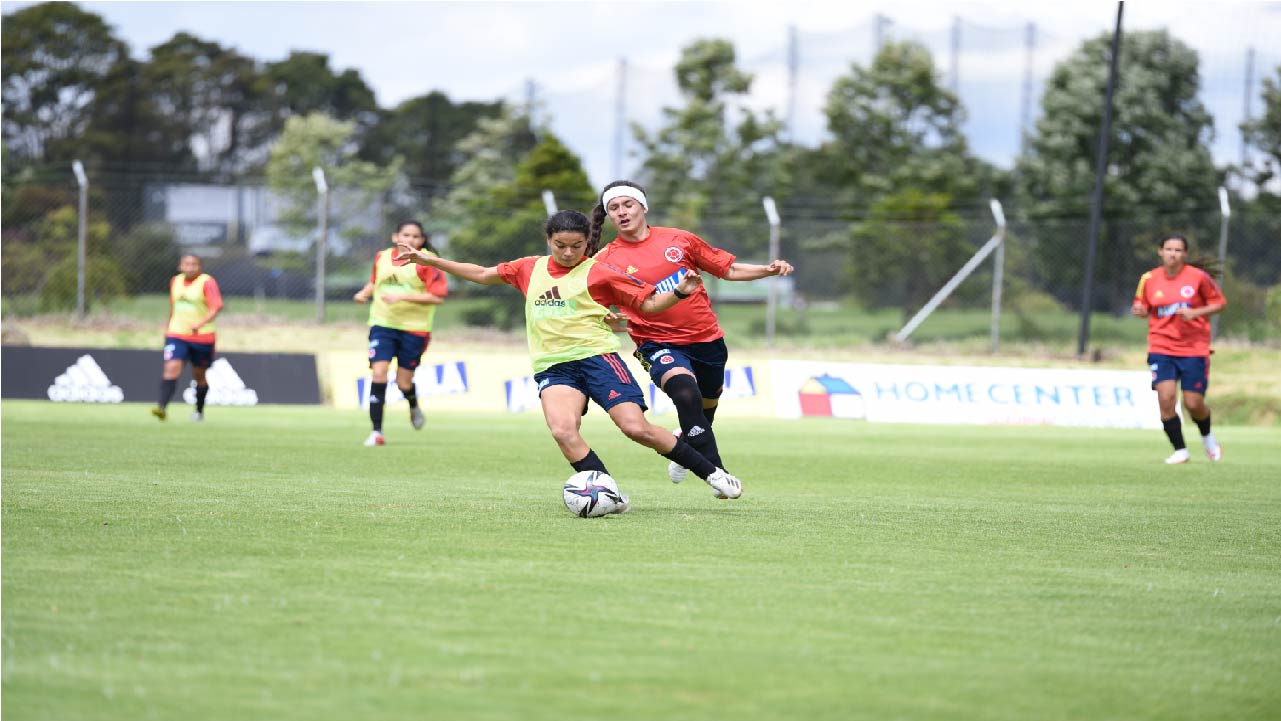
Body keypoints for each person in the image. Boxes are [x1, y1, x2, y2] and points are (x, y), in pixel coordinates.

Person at [395, 209, 743, 510]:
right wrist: (429, 260)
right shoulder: (528, 268)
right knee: (563, 431)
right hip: (554, 365)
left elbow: (649, 303)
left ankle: (713, 473)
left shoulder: (600, 271)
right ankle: (608, 494)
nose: (568, 252)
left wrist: (679, 292)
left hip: (598, 358)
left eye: (576, 246)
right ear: (549, 240)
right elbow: (483, 274)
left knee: (635, 428)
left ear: (585, 243)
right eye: (560, 245)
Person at [588, 180, 793, 484]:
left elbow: (729, 270)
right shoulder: (606, 260)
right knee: (685, 394)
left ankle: (686, 440)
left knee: (706, 407)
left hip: (707, 339)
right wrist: (608, 318)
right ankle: (717, 473)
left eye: (627, 205)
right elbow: (590, 302)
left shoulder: (679, 240)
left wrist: (769, 270)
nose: (621, 212)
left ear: (643, 206)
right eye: (614, 208)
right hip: (655, 342)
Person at [1131, 234, 1227, 464]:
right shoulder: (1148, 279)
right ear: (1160, 251)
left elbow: (1219, 303)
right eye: (1168, 249)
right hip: (1161, 346)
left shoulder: (1198, 278)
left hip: (1193, 348)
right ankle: (1180, 450)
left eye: (1177, 250)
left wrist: (1196, 312)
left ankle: (1207, 437)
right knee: (1166, 399)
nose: (1172, 253)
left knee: (1193, 403)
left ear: (1185, 254)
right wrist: (1140, 312)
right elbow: (1142, 306)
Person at [353, 221, 449, 446]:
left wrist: (402, 297)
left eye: (416, 236)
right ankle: (376, 432)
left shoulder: (426, 261)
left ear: (422, 240)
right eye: (406, 235)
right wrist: (364, 293)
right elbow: (376, 282)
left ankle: (413, 404)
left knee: (403, 382)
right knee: (379, 373)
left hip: (414, 329)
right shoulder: (382, 257)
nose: (411, 240)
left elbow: (437, 296)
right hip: (382, 323)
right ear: (396, 236)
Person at [153, 254, 222, 422]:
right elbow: (173, 307)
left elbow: (217, 306)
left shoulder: (206, 282)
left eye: (194, 264)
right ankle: (161, 408)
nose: (190, 267)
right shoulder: (175, 281)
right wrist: (168, 327)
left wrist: (199, 324)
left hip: (202, 337)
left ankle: (198, 412)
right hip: (177, 334)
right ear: (180, 266)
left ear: (200, 267)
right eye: (187, 264)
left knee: (199, 375)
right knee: (171, 368)